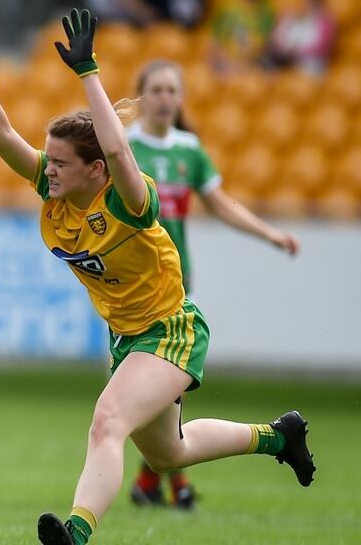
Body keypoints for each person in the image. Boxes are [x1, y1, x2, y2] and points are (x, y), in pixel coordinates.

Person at [0, 9, 315, 545]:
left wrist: (88, 72)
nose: (47, 169)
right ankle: (277, 437)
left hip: (170, 328)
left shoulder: (128, 198)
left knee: (107, 422)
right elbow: (0, 135)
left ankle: (77, 533)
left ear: (95, 169)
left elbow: (120, 149)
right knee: (168, 454)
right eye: (49, 160)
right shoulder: (57, 194)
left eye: (59, 162)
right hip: (127, 337)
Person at [125, 59, 300, 510]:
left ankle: (159, 483)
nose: (165, 98)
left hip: (178, 288)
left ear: (181, 98)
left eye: (172, 90)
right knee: (159, 395)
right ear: (143, 96)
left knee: (171, 391)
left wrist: (271, 235)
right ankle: (162, 482)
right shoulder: (123, 149)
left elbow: (221, 204)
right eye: (157, 90)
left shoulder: (189, 150)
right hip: (134, 290)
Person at [268, 0, 335, 76]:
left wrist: (295, 51)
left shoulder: (326, 19)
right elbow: (276, 39)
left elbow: (321, 47)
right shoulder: (293, 14)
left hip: (310, 69)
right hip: (287, 65)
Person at [209, 0, 275, 74]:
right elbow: (214, 44)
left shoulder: (266, 9)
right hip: (230, 67)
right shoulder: (226, 8)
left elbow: (268, 44)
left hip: (255, 67)